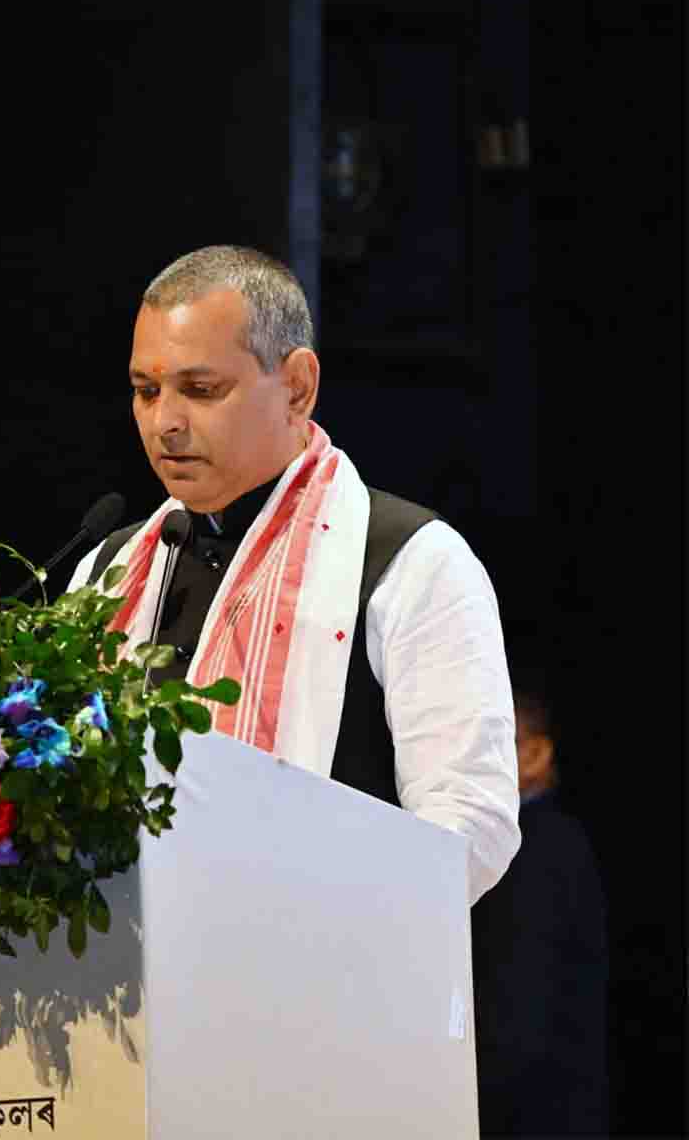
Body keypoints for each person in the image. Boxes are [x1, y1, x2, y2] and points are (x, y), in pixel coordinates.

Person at [66, 245, 520, 904]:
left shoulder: (411, 562)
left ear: (298, 387)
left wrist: (301, 917)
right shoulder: (110, 565)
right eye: (146, 391)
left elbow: (471, 828)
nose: (165, 422)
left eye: (201, 390)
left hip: (327, 957)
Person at [471, 682, 609, 1137]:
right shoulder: (548, 839)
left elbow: (518, 1010)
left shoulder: (540, 845)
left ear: (536, 756)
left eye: (495, 743)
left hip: (533, 1114)